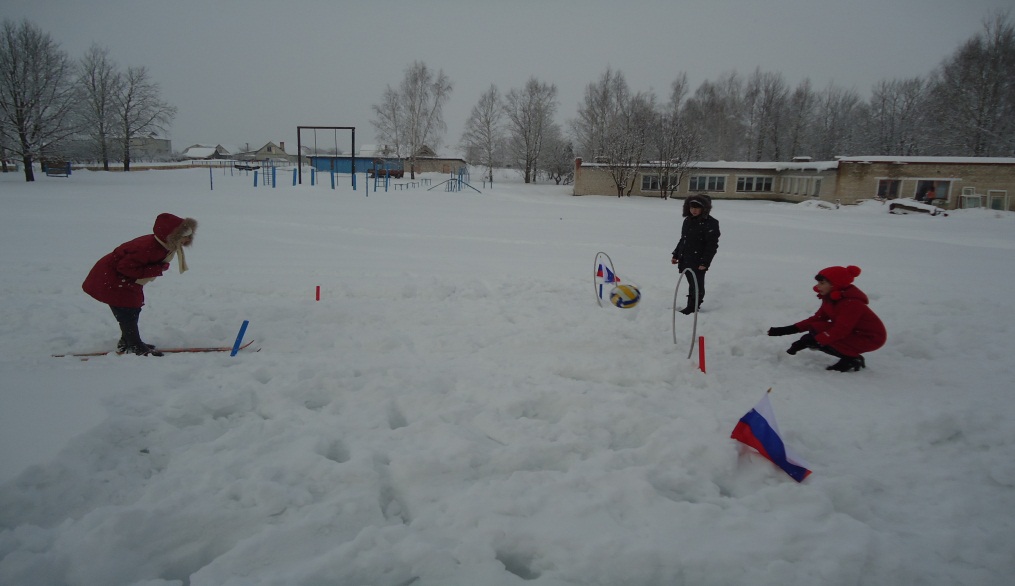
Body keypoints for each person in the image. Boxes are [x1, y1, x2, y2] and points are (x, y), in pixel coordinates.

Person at [82, 213, 197, 356]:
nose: (188, 238)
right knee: (127, 312)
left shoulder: (163, 245)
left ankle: (128, 341)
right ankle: (134, 345)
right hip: (112, 280)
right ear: (171, 235)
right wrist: (157, 268)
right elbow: (125, 267)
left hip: (124, 281)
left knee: (132, 309)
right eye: (184, 234)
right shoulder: (148, 247)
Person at [767, 265, 887, 372]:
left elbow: (841, 330)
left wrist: (815, 340)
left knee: (821, 336)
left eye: (822, 283)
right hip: (853, 333)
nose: (817, 286)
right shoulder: (831, 299)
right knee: (817, 328)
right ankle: (850, 355)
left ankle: (852, 359)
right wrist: (787, 329)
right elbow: (816, 319)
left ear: (835, 285)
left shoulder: (851, 304)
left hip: (869, 338)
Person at [671, 194, 720, 314]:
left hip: (698, 260)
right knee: (691, 282)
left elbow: (711, 245)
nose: (694, 210)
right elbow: (683, 239)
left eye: (697, 208)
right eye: (691, 207)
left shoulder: (711, 223)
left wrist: (705, 262)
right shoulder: (688, 220)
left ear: (705, 209)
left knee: (697, 284)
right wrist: (676, 254)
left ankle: (693, 307)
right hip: (686, 258)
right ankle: (691, 305)